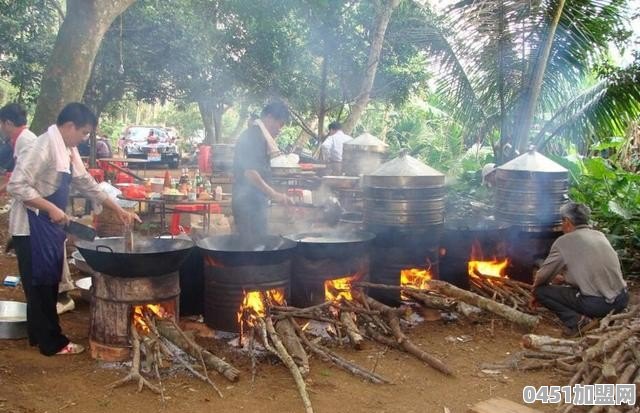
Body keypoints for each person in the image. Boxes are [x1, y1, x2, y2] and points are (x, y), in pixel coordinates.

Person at [8, 102, 140, 356]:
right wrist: (50, 208)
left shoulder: (66, 149)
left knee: (45, 282)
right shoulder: (44, 146)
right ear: (69, 126)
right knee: (41, 284)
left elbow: (88, 184)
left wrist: (119, 209)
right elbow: (17, 186)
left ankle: (39, 335)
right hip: (31, 226)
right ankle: (52, 343)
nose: (85, 138)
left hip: (48, 225)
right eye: (84, 133)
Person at [531, 202, 628, 338]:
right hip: (622, 300)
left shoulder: (564, 241)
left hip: (598, 305)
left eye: (562, 221)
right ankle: (604, 319)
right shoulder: (599, 235)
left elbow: (543, 275)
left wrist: (534, 291)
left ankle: (578, 322)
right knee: (573, 291)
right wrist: (565, 279)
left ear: (567, 221)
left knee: (541, 291)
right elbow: (593, 270)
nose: (561, 225)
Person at [232, 101, 293, 242]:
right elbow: (250, 173)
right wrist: (274, 194)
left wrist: (276, 195)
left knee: (259, 244)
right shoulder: (253, 136)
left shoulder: (260, 137)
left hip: (255, 202)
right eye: (280, 124)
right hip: (247, 203)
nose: (280, 129)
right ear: (270, 118)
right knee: (251, 247)